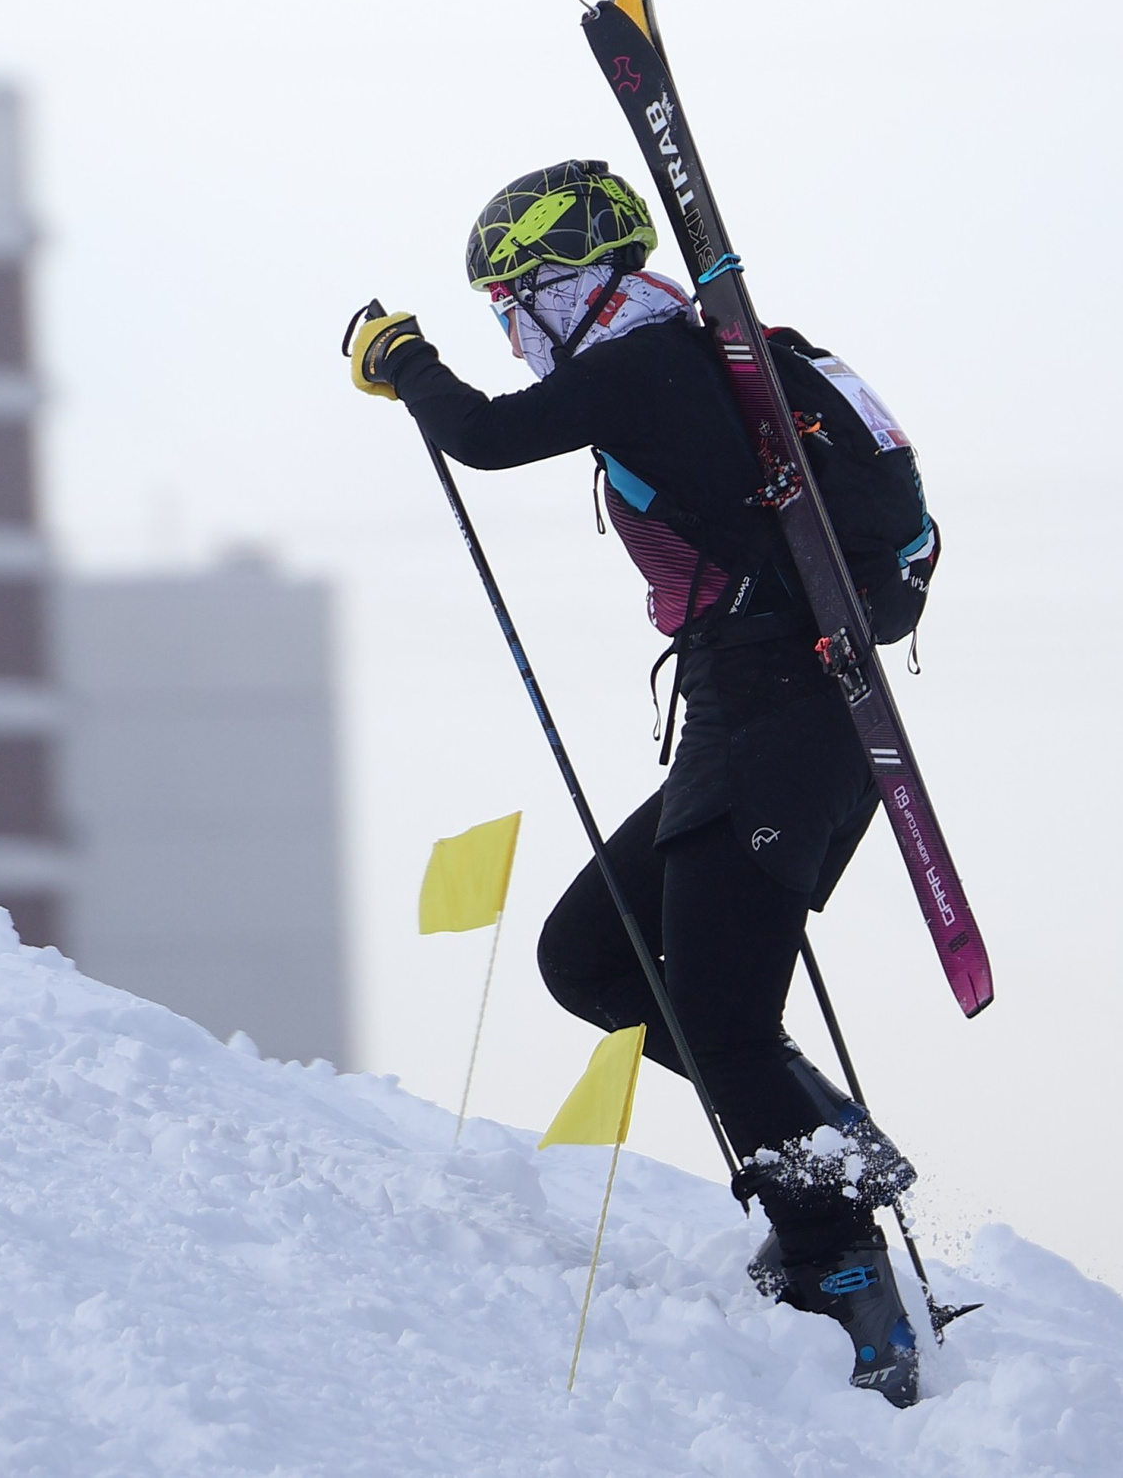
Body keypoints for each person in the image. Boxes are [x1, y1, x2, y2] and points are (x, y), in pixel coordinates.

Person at [347, 159, 923, 1406]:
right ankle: (828, 1141)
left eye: (515, 305)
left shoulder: (652, 357)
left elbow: (487, 439)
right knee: (592, 962)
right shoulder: (682, 359)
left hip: (787, 718)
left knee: (717, 1011)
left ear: (567, 286)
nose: (514, 332)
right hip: (742, 710)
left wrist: (406, 363)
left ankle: (844, 1278)